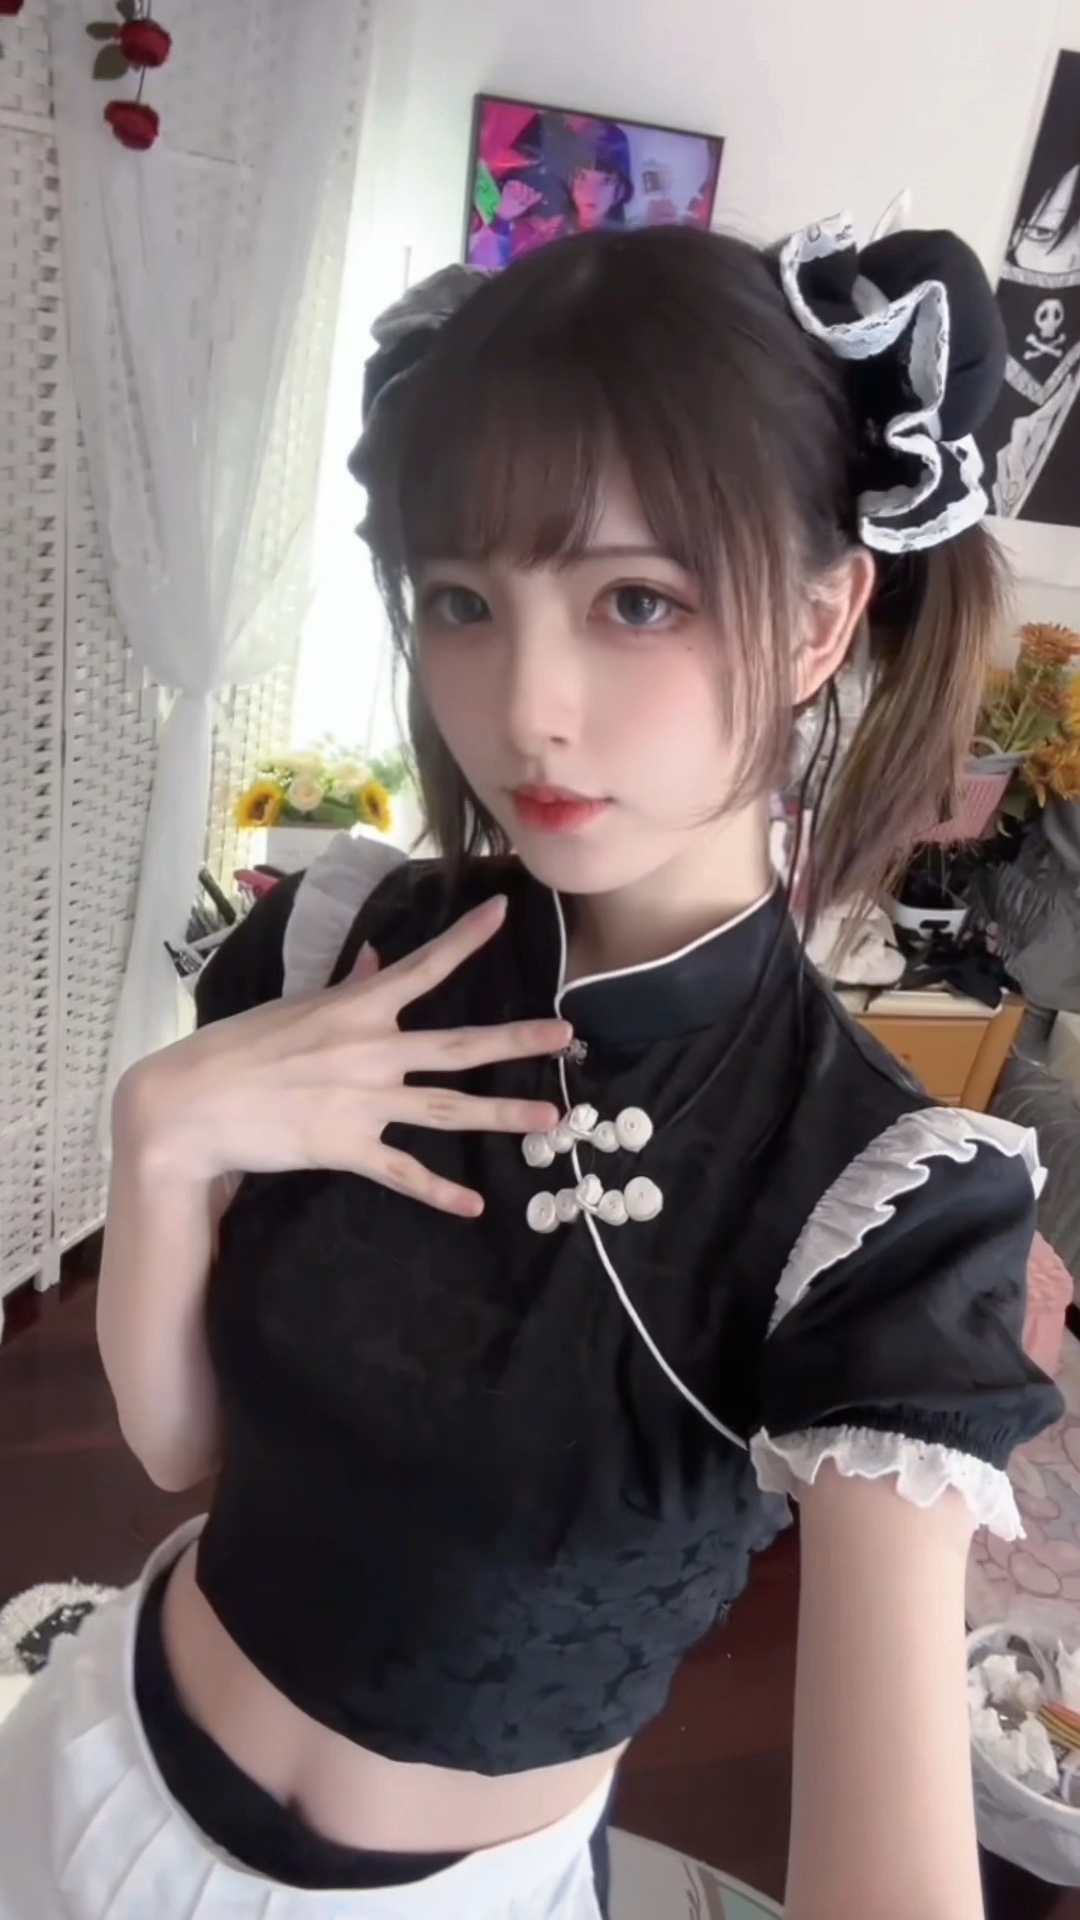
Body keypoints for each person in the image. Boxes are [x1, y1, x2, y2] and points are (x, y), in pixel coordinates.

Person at [0, 215, 1063, 1920]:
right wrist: (160, 1140)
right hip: (89, 1767)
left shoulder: (875, 1204)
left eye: (637, 599)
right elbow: (183, 1447)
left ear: (819, 621)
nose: (525, 705)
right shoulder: (343, 946)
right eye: (463, 602)